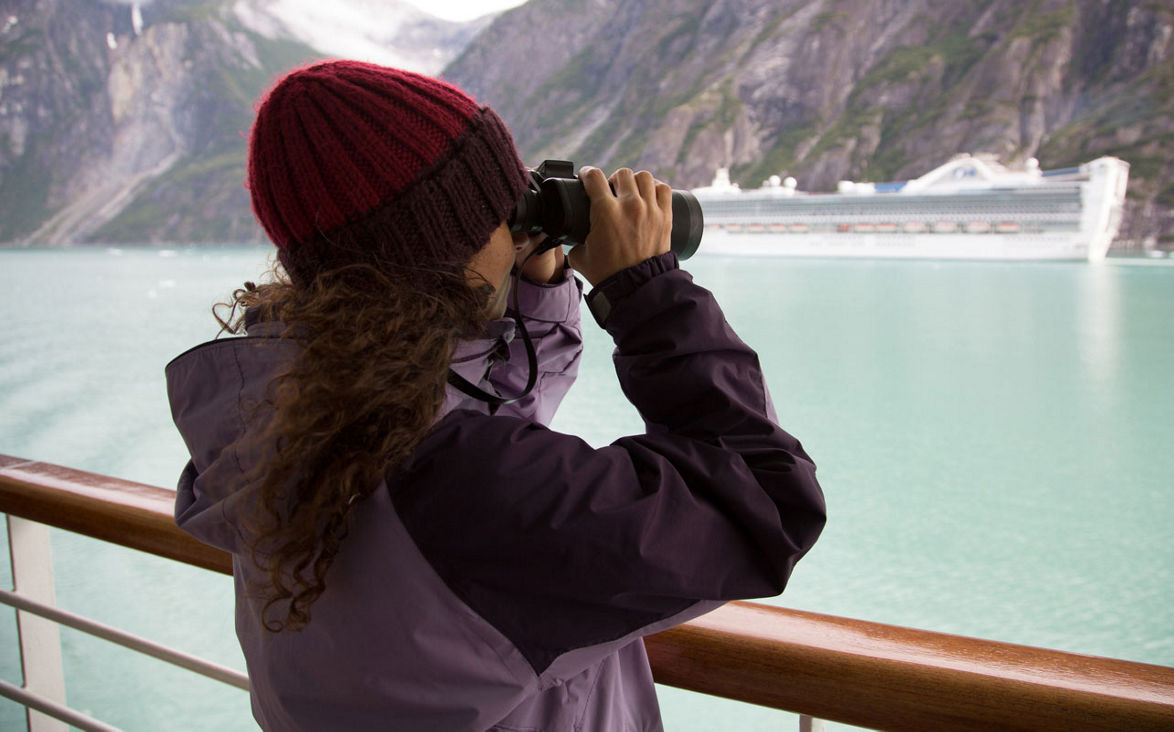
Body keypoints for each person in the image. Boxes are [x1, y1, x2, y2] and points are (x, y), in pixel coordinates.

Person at [166, 59, 825, 731]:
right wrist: (649, 295)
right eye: (499, 214)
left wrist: (534, 291)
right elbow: (766, 503)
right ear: (441, 256)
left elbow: (467, 436)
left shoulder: (296, 429)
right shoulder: (466, 488)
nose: (515, 233)